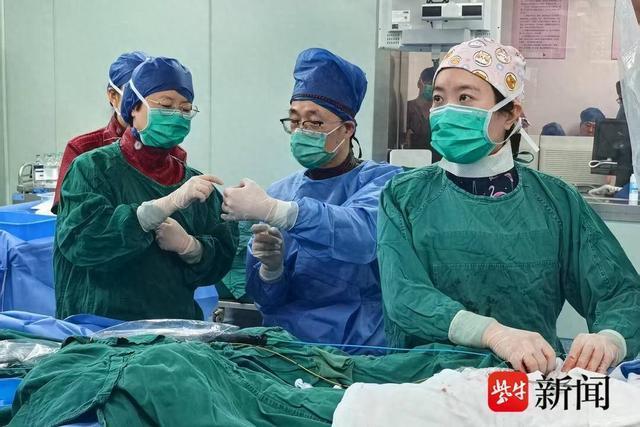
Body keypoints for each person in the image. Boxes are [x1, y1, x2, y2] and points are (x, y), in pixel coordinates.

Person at [378, 38, 640, 375]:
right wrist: (490, 333)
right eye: (439, 98)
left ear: (510, 114)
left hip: (527, 381)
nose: (446, 111)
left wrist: (610, 338)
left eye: (465, 98)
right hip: (426, 381)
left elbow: (618, 291)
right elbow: (405, 295)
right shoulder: (404, 195)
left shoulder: (556, 202)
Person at [221, 48, 401, 354]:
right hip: (287, 350)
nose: (301, 131)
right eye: (295, 121)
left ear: (347, 129)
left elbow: (361, 236)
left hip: (359, 350)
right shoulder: (281, 191)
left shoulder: (383, 182)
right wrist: (271, 270)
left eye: (314, 122)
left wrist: (277, 211)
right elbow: (266, 301)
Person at [55, 57, 238, 321]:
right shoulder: (92, 168)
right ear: (133, 106)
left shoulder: (195, 185)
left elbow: (219, 260)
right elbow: (82, 241)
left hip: (173, 330)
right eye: (165, 105)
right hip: (100, 329)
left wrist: (191, 248)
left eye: (185, 109)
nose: (176, 115)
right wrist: (156, 210)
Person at [52, 51, 187, 214]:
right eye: (132, 91)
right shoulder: (84, 152)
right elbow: (73, 217)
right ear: (113, 95)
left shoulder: (174, 154)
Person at [405, 67, 442, 161]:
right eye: (429, 83)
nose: (431, 87)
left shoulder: (440, 112)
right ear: (419, 83)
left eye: (435, 85)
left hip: (437, 162)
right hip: (413, 161)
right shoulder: (407, 108)